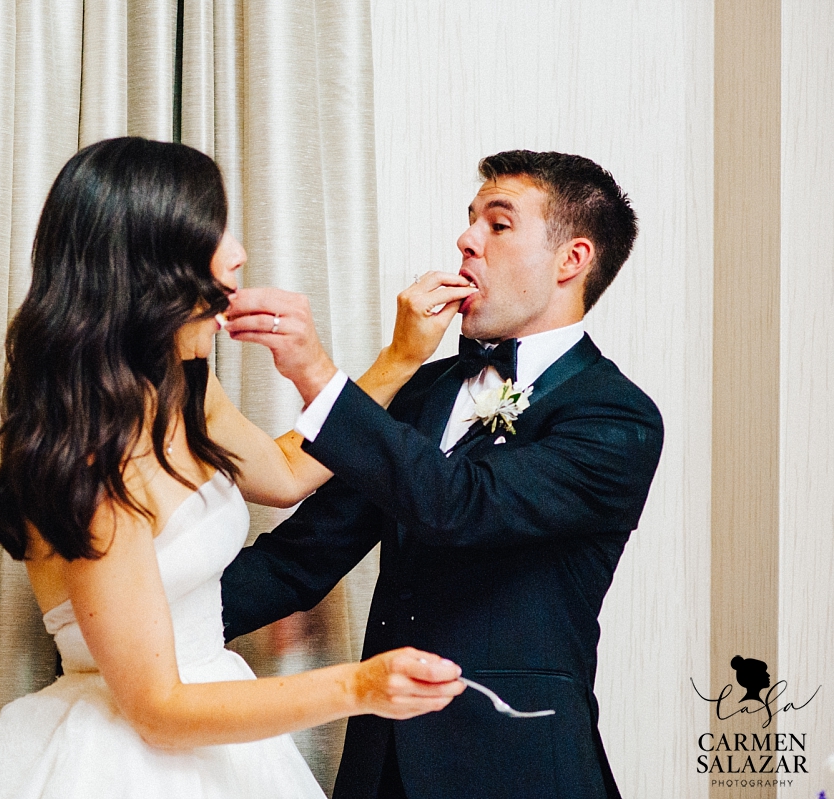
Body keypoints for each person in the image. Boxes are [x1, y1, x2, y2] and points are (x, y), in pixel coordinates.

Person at [0, 136, 466, 799]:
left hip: (219, 722)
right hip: (127, 754)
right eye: (214, 232)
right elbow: (159, 708)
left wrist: (398, 356)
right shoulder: (91, 467)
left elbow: (284, 474)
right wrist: (358, 685)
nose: (239, 254)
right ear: (150, 265)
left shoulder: (182, 381)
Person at [221, 150, 665, 799]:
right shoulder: (424, 393)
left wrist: (318, 373)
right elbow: (301, 559)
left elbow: (461, 506)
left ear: (572, 259)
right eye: (470, 219)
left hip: (518, 768)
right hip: (380, 766)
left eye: (498, 223)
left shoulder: (615, 416)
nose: (466, 238)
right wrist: (150, 624)